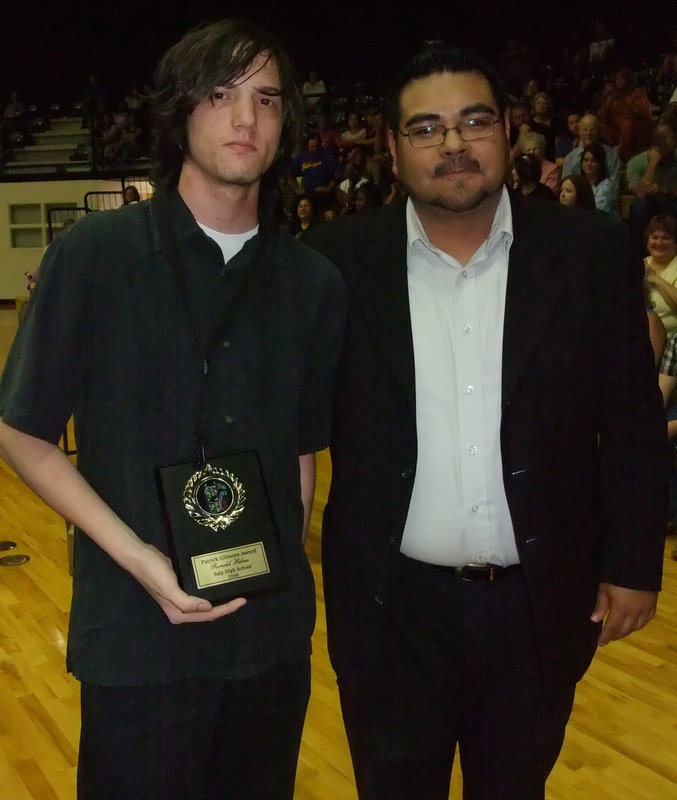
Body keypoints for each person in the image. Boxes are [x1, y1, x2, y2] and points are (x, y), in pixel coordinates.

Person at [306, 43, 666, 800]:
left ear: (507, 129)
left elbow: (631, 418)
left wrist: (634, 562)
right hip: (391, 610)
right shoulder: (335, 262)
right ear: (394, 147)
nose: (452, 143)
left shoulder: (589, 250)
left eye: (472, 121)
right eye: (426, 128)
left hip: (536, 606)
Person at [0, 18, 346, 800]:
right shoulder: (93, 255)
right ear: (180, 110)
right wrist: (140, 562)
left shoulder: (312, 283)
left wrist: (282, 587)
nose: (245, 119)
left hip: (266, 645)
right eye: (220, 95)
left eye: (265, 98)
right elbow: (22, 433)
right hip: (135, 635)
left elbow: (299, 455)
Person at [561, 113, 621, 195]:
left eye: (592, 129)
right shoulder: (570, 158)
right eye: (585, 130)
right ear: (579, 131)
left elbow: (614, 187)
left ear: (599, 131)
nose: (588, 133)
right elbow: (565, 187)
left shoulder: (612, 155)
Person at [644, 214, 677, 334]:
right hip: (641, 335)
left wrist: (656, 279)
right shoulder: (639, 265)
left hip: (672, 336)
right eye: (655, 237)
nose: (659, 242)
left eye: (666, 238)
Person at [580, 142, 619, 217]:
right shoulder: (579, 183)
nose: (589, 163)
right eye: (586, 160)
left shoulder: (607, 186)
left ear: (600, 164)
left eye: (593, 160)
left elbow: (598, 214)